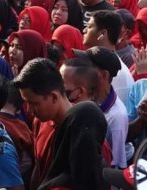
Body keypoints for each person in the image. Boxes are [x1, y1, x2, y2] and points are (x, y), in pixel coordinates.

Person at [14, 58, 109, 190]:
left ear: (54, 96)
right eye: (26, 102)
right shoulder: (40, 122)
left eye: (34, 103)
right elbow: (39, 166)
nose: (29, 110)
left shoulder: (86, 133)